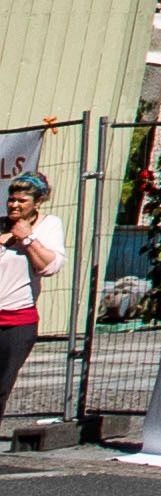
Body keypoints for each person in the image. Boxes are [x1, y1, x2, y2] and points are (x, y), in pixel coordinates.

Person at [0, 168, 63, 425]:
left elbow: (49, 267)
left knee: (1, 384)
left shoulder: (49, 225)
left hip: (17, 321)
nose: (14, 204)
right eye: (11, 199)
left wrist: (28, 239)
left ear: (37, 202)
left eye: (21, 201)